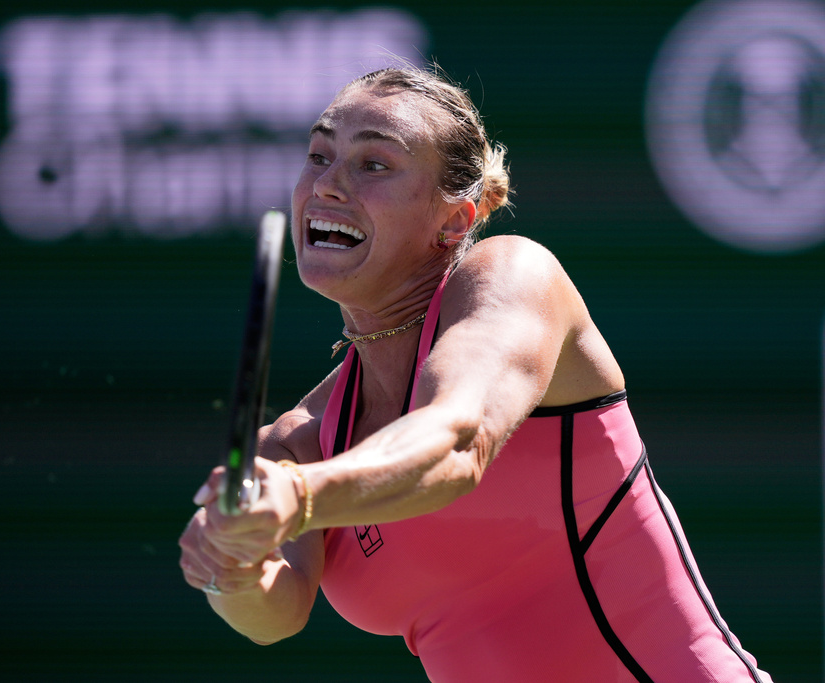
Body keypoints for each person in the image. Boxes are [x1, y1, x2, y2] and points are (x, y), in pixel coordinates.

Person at [178, 65, 773, 682]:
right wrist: (234, 564)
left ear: (456, 220)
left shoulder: (516, 278)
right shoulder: (296, 442)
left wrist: (296, 498)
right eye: (318, 154)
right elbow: (275, 615)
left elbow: (456, 445)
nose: (327, 184)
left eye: (373, 164)